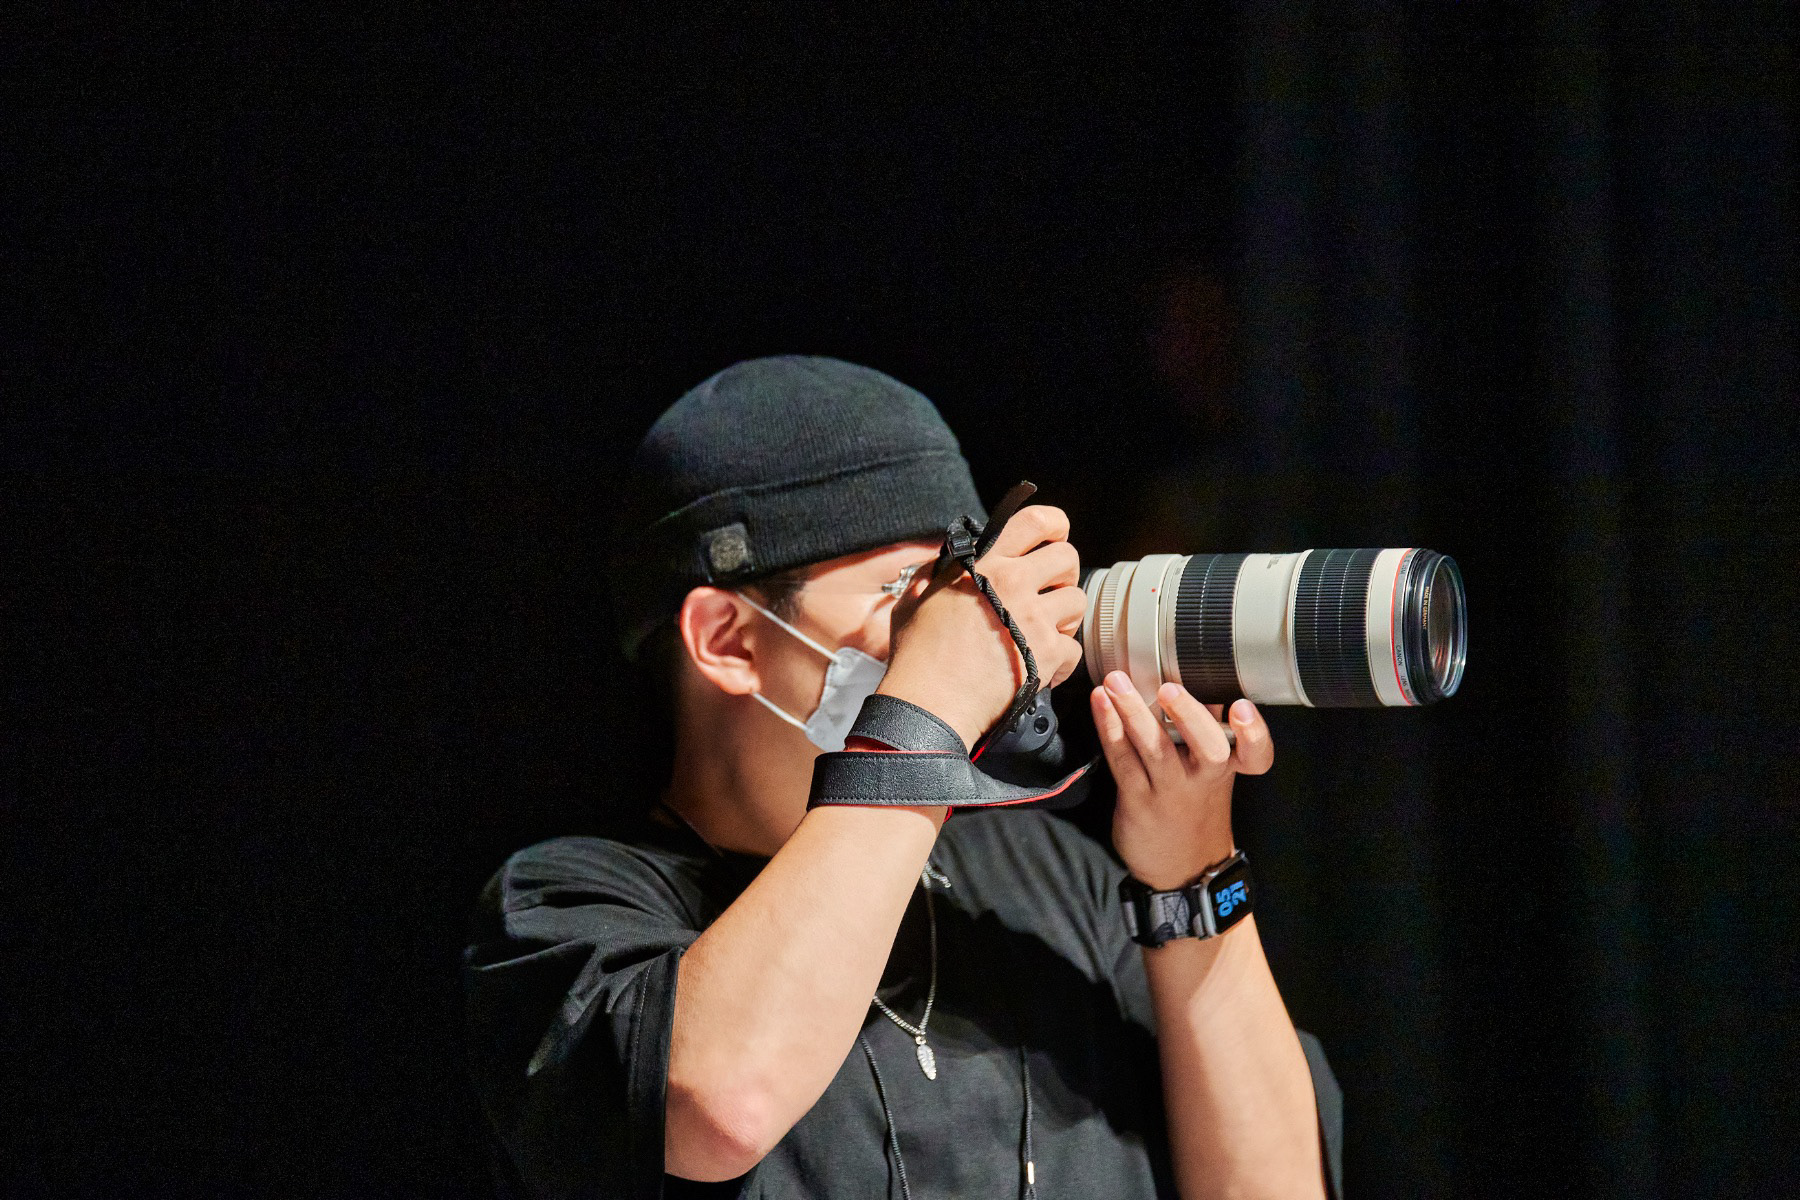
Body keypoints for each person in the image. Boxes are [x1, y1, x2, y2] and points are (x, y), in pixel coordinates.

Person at [464, 356, 1344, 1199]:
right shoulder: (565, 909)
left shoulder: (1051, 879)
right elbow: (719, 1107)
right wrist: (930, 705)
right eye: (909, 596)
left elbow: (1275, 1189)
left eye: (962, 589)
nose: (965, 628)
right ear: (727, 641)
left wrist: (1192, 876)